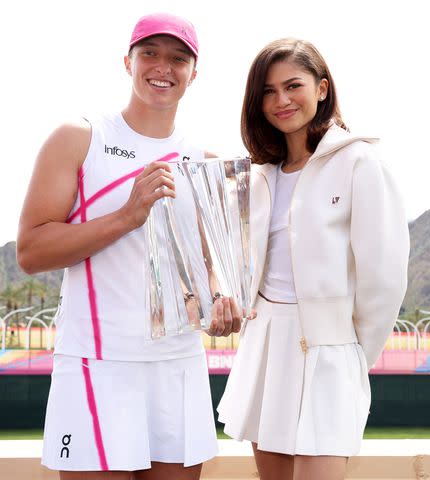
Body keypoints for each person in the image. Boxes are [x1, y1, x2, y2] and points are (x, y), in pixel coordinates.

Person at [17, 12, 241, 480]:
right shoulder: (80, 138)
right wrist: (126, 216)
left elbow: (211, 267)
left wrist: (221, 301)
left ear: (193, 75)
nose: (164, 66)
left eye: (178, 58)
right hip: (97, 365)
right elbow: (32, 251)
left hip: (177, 364)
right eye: (150, 54)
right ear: (128, 61)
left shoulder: (205, 162)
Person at [217, 38, 410, 480]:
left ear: (322, 89)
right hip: (265, 349)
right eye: (267, 91)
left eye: (293, 86)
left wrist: (349, 353)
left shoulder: (360, 162)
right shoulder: (259, 175)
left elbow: (384, 279)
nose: (281, 100)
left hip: (330, 355)